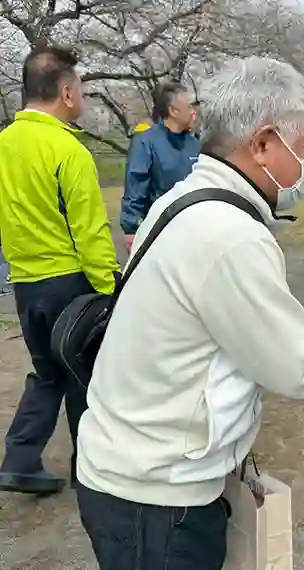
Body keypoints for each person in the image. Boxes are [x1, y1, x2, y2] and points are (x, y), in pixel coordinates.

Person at [75, 56, 304, 570]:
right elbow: (296, 366)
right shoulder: (230, 235)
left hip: (133, 470)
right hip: (156, 495)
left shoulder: (183, 198)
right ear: (263, 144)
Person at [0, 46, 119, 495]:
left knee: (47, 372)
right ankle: (90, 469)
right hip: (70, 285)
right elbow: (90, 232)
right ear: (67, 93)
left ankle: (20, 460)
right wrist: (111, 288)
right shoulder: (68, 149)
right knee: (83, 374)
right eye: (81, 90)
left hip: (26, 285)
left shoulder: (4, 144)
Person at [120, 81, 200, 253]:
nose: (194, 112)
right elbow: (136, 184)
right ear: (173, 111)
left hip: (194, 230)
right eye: (190, 107)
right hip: (159, 232)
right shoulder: (146, 142)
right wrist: (131, 228)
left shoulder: (195, 144)